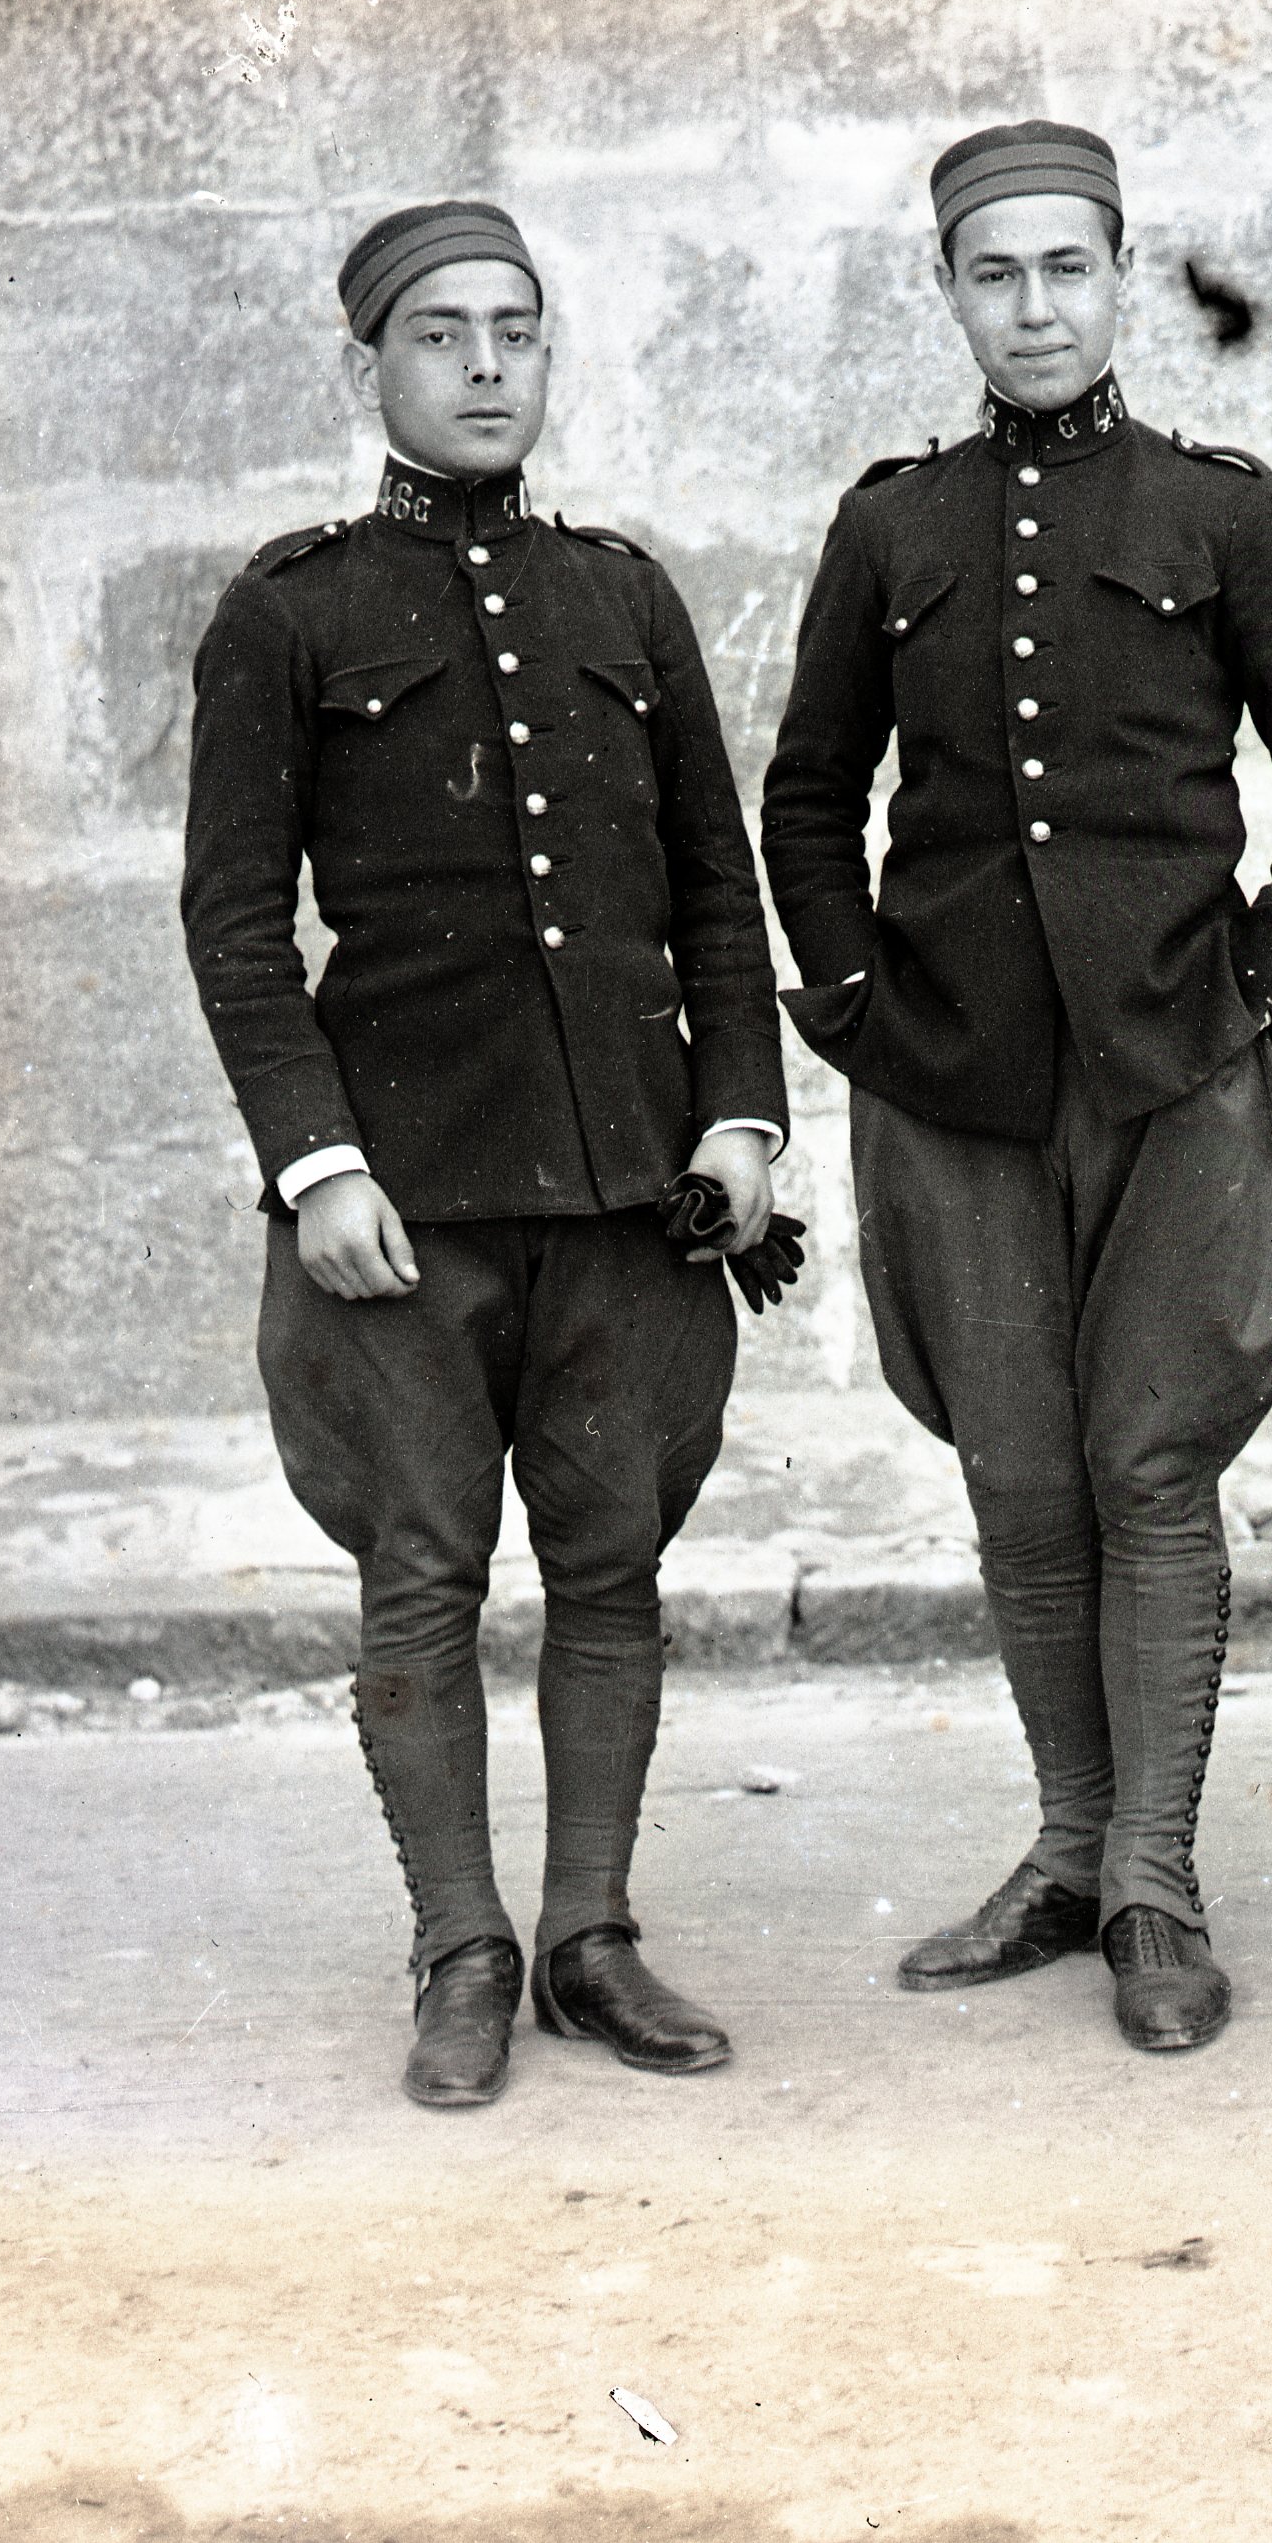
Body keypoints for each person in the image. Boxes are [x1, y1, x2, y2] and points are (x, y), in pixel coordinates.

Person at [759, 122, 1272, 2056]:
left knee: (1151, 1464)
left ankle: (1152, 1878)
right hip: (955, 1079)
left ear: (1121, 280)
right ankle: (1063, 1848)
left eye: (1066, 269)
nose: (1033, 309)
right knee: (1021, 1475)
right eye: (995, 274)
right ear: (950, 295)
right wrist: (857, 1001)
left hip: (1171, 1068)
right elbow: (808, 794)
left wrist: (1251, 982)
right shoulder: (895, 527)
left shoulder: (1218, 513)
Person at [181, 201, 787, 2108]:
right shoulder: (291, 611)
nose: (484, 366)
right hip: (404, 1202)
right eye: (439, 334)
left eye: (515, 330)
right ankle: (462, 1946)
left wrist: (740, 1121)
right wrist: (316, 1165)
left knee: (611, 1570)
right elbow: (234, 928)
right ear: (367, 363)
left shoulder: (622, 599)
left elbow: (715, 891)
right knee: (421, 1576)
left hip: (626, 1196)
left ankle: (591, 1939)